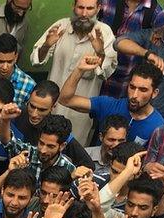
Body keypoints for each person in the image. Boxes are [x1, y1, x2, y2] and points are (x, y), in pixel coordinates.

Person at [31, 0, 117, 140]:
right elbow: (35, 62)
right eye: (80, 7)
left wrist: (101, 53)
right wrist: (46, 46)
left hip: (80, 112)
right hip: (52, 106)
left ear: (98, 8)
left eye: (89, 8)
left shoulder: (104, 33)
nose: (84, 13)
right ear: (73, 6)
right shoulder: (61, 26)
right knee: (43, 145)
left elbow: (107, 74)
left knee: (73, 152)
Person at [60, 56, 164, 146]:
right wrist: (79, 70)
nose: (134, 95)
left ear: (155, 93)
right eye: (132, 87)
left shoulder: (158, 127)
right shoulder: (109, 105)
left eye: (143, 90)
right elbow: (65, 99)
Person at [97, 0, 164, 98]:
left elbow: (157, 48)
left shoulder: (156, 13)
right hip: (97, 71)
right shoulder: (106, 2)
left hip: (126, 82)